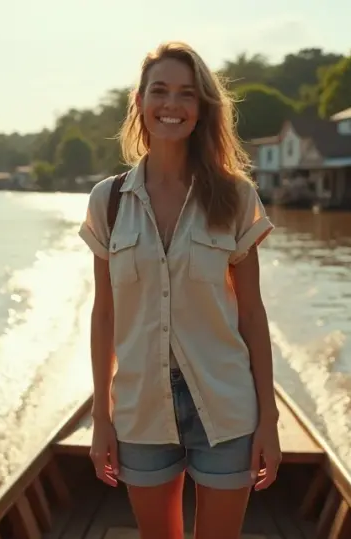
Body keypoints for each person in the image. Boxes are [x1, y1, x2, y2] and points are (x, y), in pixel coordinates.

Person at [78, 41, 280, 539]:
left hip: (227, 406)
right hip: (141, 407)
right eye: (160, 91)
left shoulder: (234, 197)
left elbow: (252, 313)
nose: (172, 105)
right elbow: (104, 316)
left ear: (202, 107)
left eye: (186, 94)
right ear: (140, 102)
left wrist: (269, 420)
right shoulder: (107, 203)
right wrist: (101, 419)